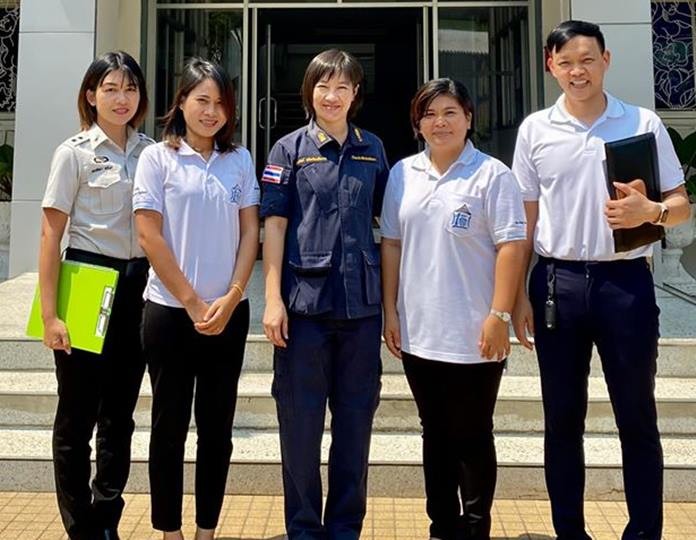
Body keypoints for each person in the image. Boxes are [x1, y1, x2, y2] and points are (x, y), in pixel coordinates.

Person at [511, 20, 691, 540]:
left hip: (624, 286)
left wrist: (650, 209)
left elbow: (681, 208)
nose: (577, 70)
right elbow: (525, 221)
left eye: (587, 59)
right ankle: (570, 532)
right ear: (550, 66)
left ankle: (644, 533)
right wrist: (518, 296)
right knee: (561, 422)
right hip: (554, 284)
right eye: (566, 61)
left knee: (637, 418)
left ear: (606, 60)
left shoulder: (641, 122)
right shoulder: (534, 130)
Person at [380, 78, 527, 540]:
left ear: (468, 118)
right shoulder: (403, 173)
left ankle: (476, 527)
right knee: (434, 434)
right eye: (429, 114)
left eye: (449, 112)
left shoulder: (492, 175)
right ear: (417, 123)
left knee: (473, 434)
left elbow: (511, 246)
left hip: (475, 331)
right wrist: (390, 310)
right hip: (421, 330)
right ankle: (442, 526)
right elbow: (391, 244)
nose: (439, 122)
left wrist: (499, 315)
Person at [260, 49, 389, 539]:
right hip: (304, 310)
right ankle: (304, 530)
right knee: (300, 427)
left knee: (355, 429)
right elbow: (273, 225)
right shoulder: (287, 150)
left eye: (342, 87)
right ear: (309, 92)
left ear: (356, 94)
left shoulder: (373, 148)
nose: (331, 96)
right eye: (322, 86)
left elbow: (389, 227)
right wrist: (272, 299)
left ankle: (344, 529)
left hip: (361, 310)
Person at [133, 58, 259, 540]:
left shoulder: (240, 160)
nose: (211, 111)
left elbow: (251, 233)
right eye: (201, 100)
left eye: (220, 102)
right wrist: (190, 301)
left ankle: (207, 529)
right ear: (181, 101)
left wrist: (231, 296)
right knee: (168, 429)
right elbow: (150, 236)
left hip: (228, 315)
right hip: (168, 312)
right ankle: (170, 531)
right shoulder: (157, 158)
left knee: (217, 431)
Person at [38, 51, 151, 540]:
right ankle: (78, 525)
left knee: (120, 414)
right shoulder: (74, 152)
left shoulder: (153, 152)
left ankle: (107, 518)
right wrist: (50, 314)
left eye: (129, 89)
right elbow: (49, 235)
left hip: (138, 285)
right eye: (110, 89)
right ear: (91, 95)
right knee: (77, 413)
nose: (120, 98)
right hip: (86, 279)